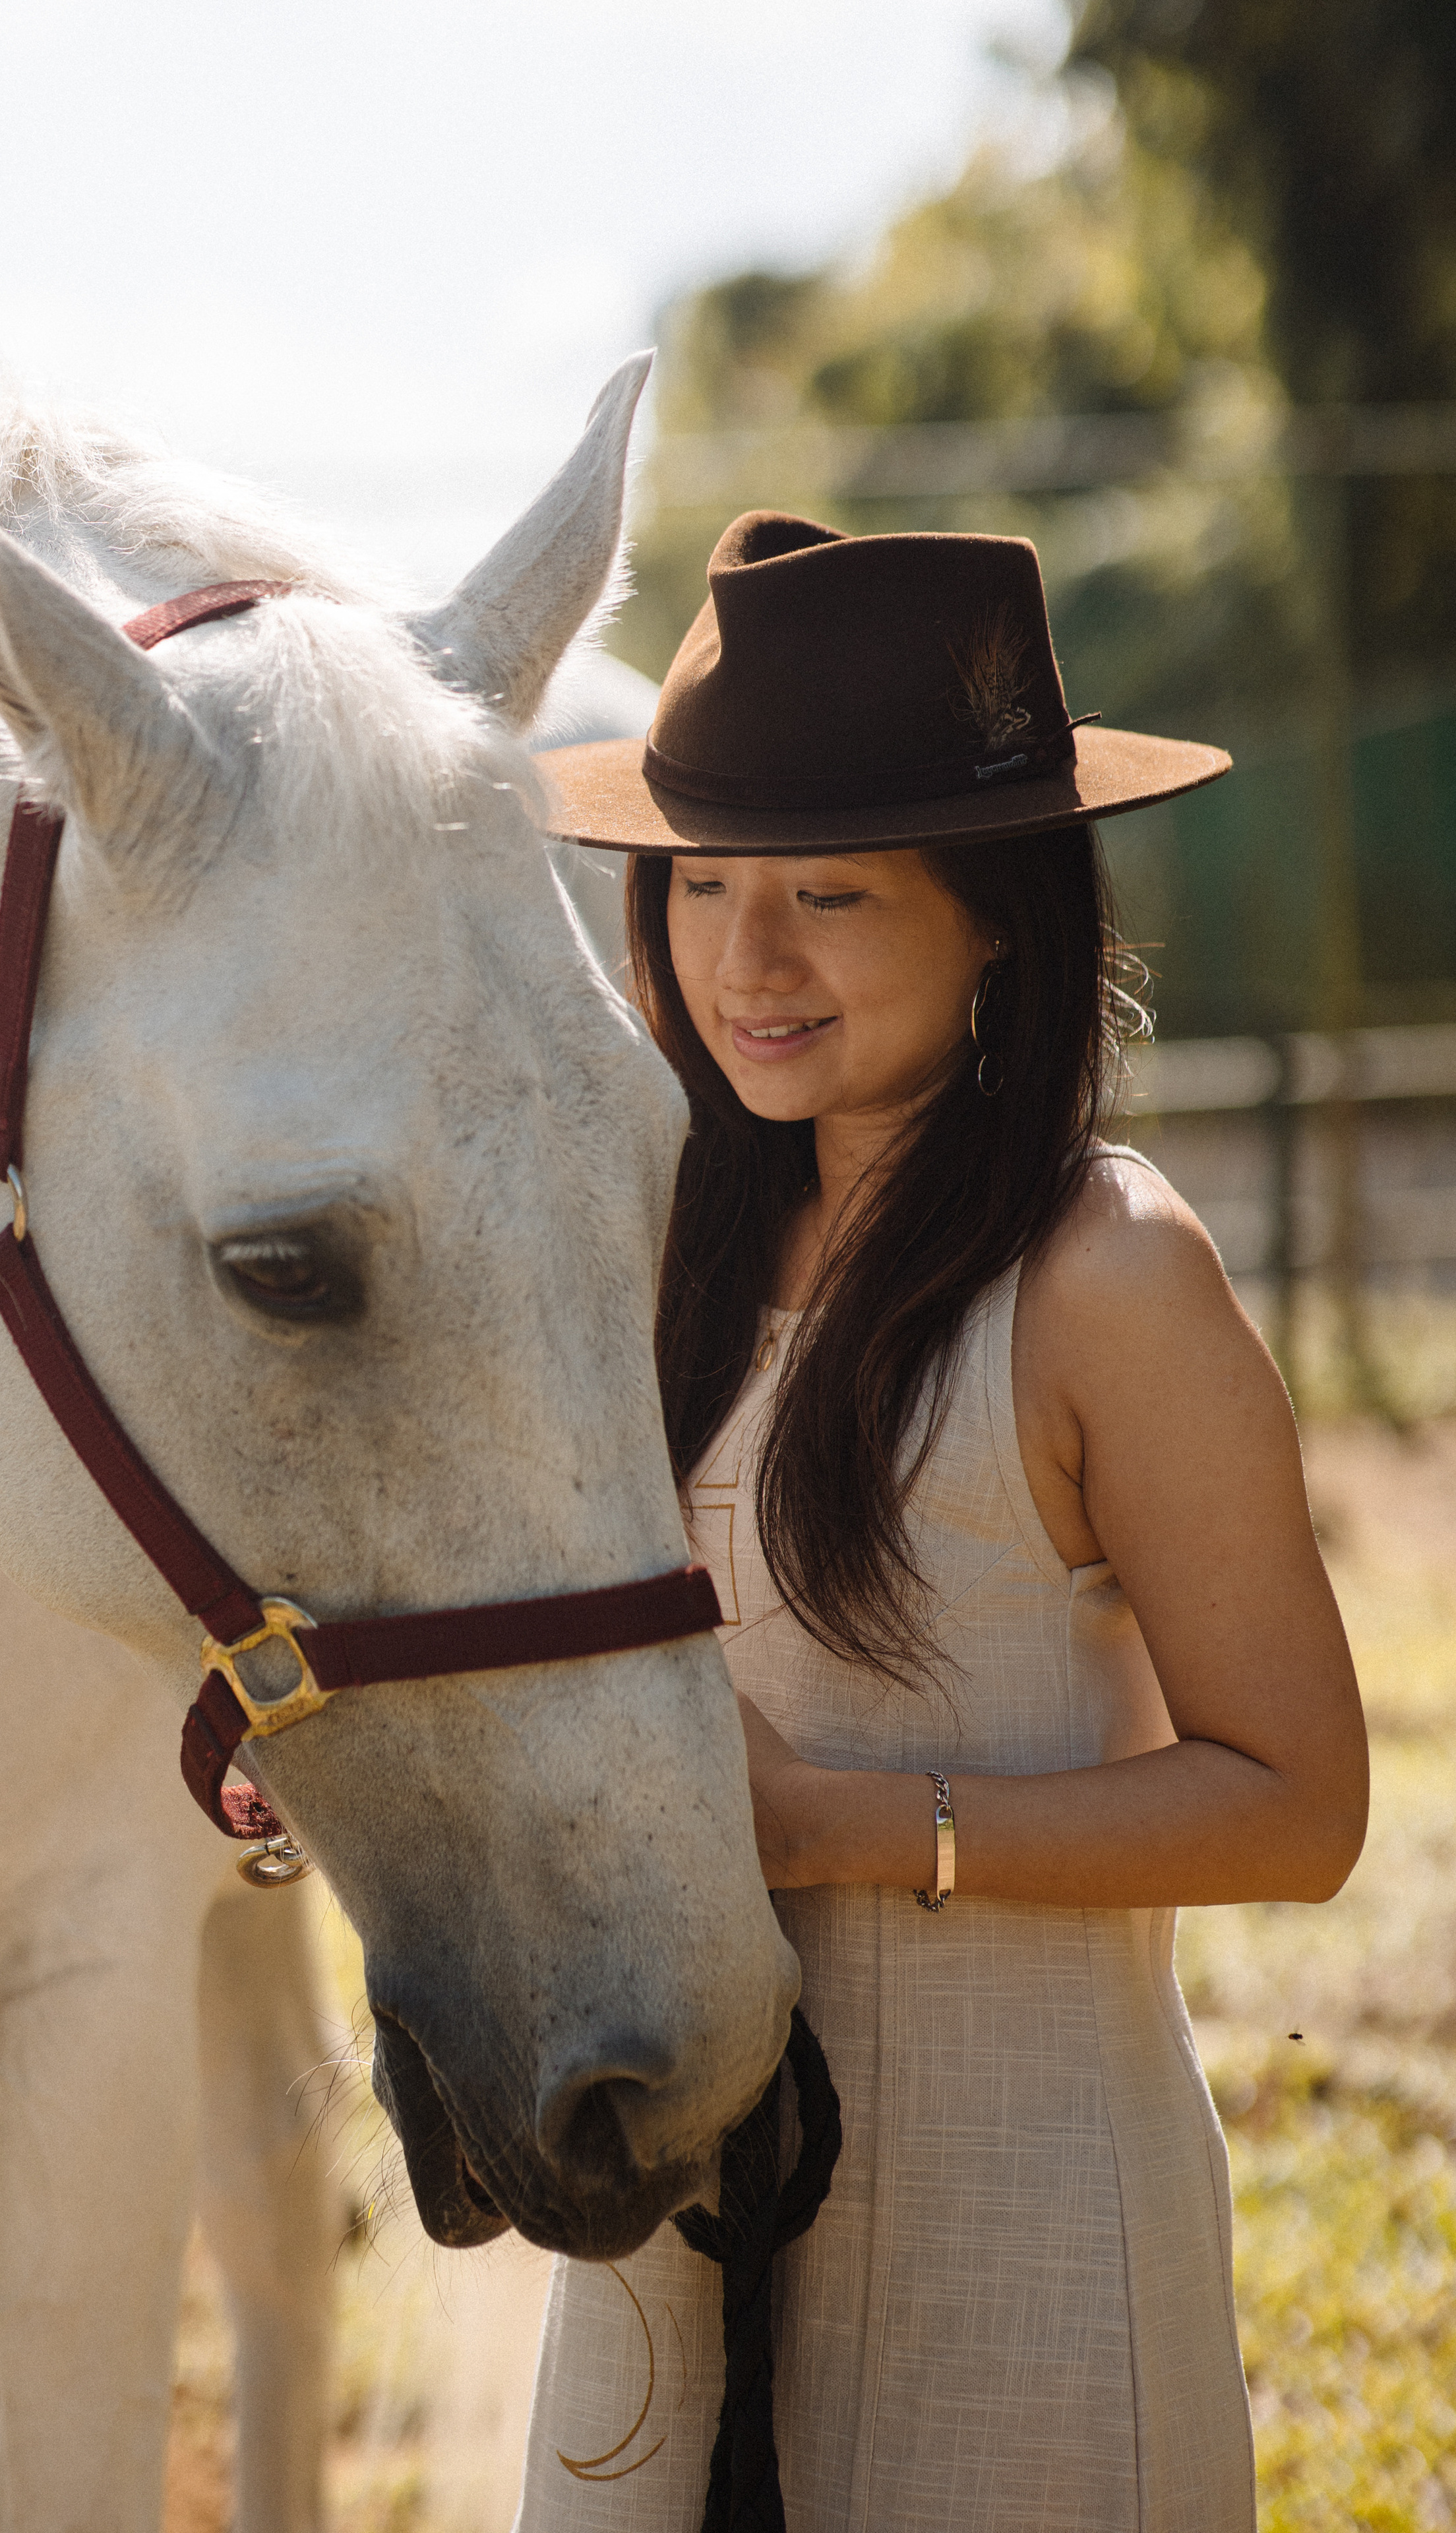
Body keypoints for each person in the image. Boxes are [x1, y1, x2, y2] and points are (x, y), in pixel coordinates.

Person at [517, 513, 1368, 2533]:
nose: (746, 960)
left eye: (829, 893)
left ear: (997, 915)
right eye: (702, 883)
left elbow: (1300, 1807)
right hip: (663, 2228)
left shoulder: (1104, 1274)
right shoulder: (642, 1246)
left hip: (1026, 2230)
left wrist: (839, 1823)